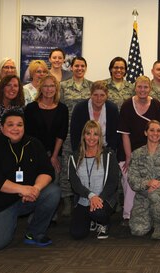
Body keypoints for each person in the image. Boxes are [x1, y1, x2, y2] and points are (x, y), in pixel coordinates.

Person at [0, 110, 60, 250]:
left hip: (26, 199)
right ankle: (7, 221)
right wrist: (22, 189)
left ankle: (35, 233)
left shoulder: (34, 144)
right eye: (10, 125)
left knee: (53, 192)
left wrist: (36, 188)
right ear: (1, 128)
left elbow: (47, 171)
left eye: (19, 125)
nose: (16, 128)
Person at [118, 75, 160, 225]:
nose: (142, 90)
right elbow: (124, 134)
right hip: (129, 152)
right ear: (135, 88)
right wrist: (128, 157)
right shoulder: (127, 105)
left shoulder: (156, 105)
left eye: (146, 87)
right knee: (129, 180)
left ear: (150, 89)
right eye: (139, 87)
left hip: (150, 152)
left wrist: (153, 154)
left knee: (151, 181)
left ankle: (149, 214)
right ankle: (128, 215)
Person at [23, 75, 69, 214]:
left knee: (53, 184)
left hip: (54, 154)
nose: (49, 89)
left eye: (52, 86)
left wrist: (54, 156)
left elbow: (61, 134)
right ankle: (34, 213)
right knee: (35, 183)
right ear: (40, 88)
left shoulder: (62, 108)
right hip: (34, 153)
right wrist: (38, 154)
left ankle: (50, 215)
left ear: (56, 88)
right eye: (46, 86)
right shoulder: (31, 108)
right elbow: (27, 134)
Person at [69, 120, 120, 240]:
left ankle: (103, 223)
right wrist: (91, 196)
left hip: (103, 199)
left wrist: (98, 198)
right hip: (84, 199)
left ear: (100, 137)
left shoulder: (109, 155)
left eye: (95, 134)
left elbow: (113, 182)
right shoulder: (74, 157)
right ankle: (91, 220)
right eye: (88, 133)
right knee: (77, 233)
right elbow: (75, 183)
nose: (91, 138)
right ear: (83, 136)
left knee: (97, 212)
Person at [128, 120, 160, 240]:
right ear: (145, 133)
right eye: (152, 130)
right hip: (143, 196)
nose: (155, 133)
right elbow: (132, 179)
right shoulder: (137, 154)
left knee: (156, 195)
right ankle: (150, 214)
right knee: (137, 231)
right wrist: (148, 183)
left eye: (158, 131)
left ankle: (158, 227)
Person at [60, 56, 94, 217]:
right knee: (68, 165)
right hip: (68, 132)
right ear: (71, 68)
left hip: (88, 134)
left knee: (87, 165)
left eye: (82, 66)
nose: (79, 69)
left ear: (86, 68)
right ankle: (67, 199)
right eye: (77, 66)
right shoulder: (63, 86)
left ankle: (85, 196)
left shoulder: (92, 86)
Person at [70, 80, 121, 154]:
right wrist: (79, 153)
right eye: (95, 95)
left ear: (107, 96)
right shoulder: (80, 108)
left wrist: (110, 153)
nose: (98, 98)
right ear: (90, 94)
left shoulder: (112, 109)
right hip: (84, 151)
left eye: (102, 95)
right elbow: (75, 135)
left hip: (106, 151)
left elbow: (115, 135)